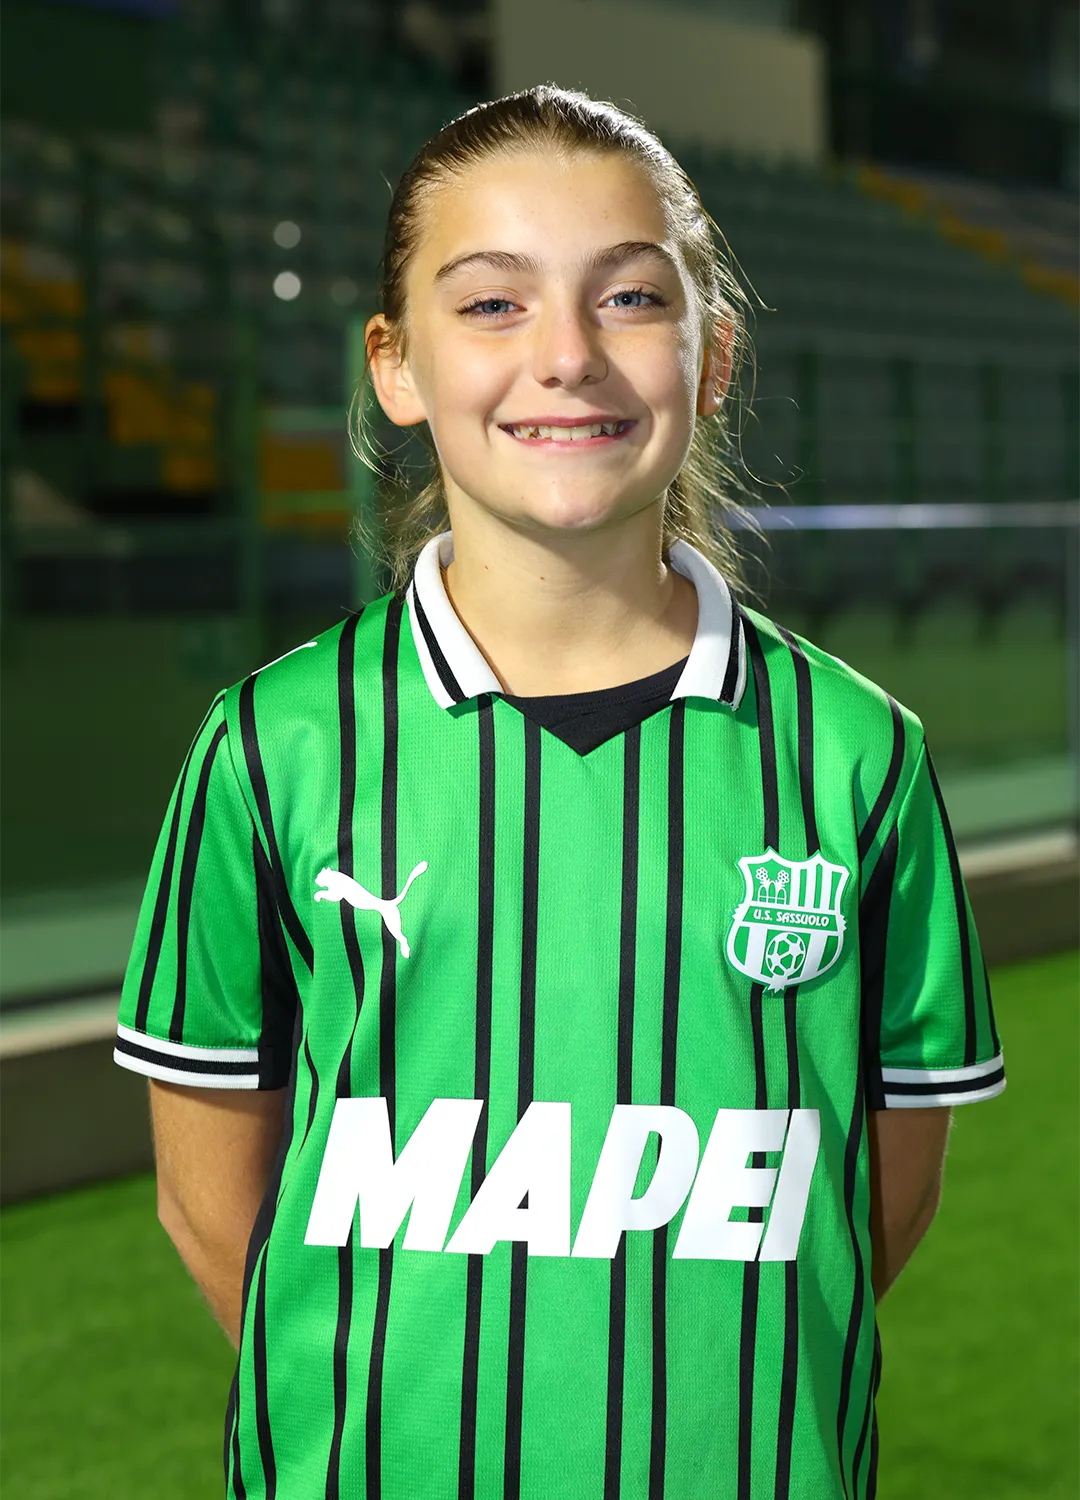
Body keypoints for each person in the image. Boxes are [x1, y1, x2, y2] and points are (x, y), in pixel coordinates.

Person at [113, 84, 1006, 1500]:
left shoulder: (857, 756)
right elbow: (211, 1206)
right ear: (396, 366)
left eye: (632, 298)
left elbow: (874, 1199)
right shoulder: (272, 746)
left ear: (713, 355)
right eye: (492, 304)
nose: (569, 356)